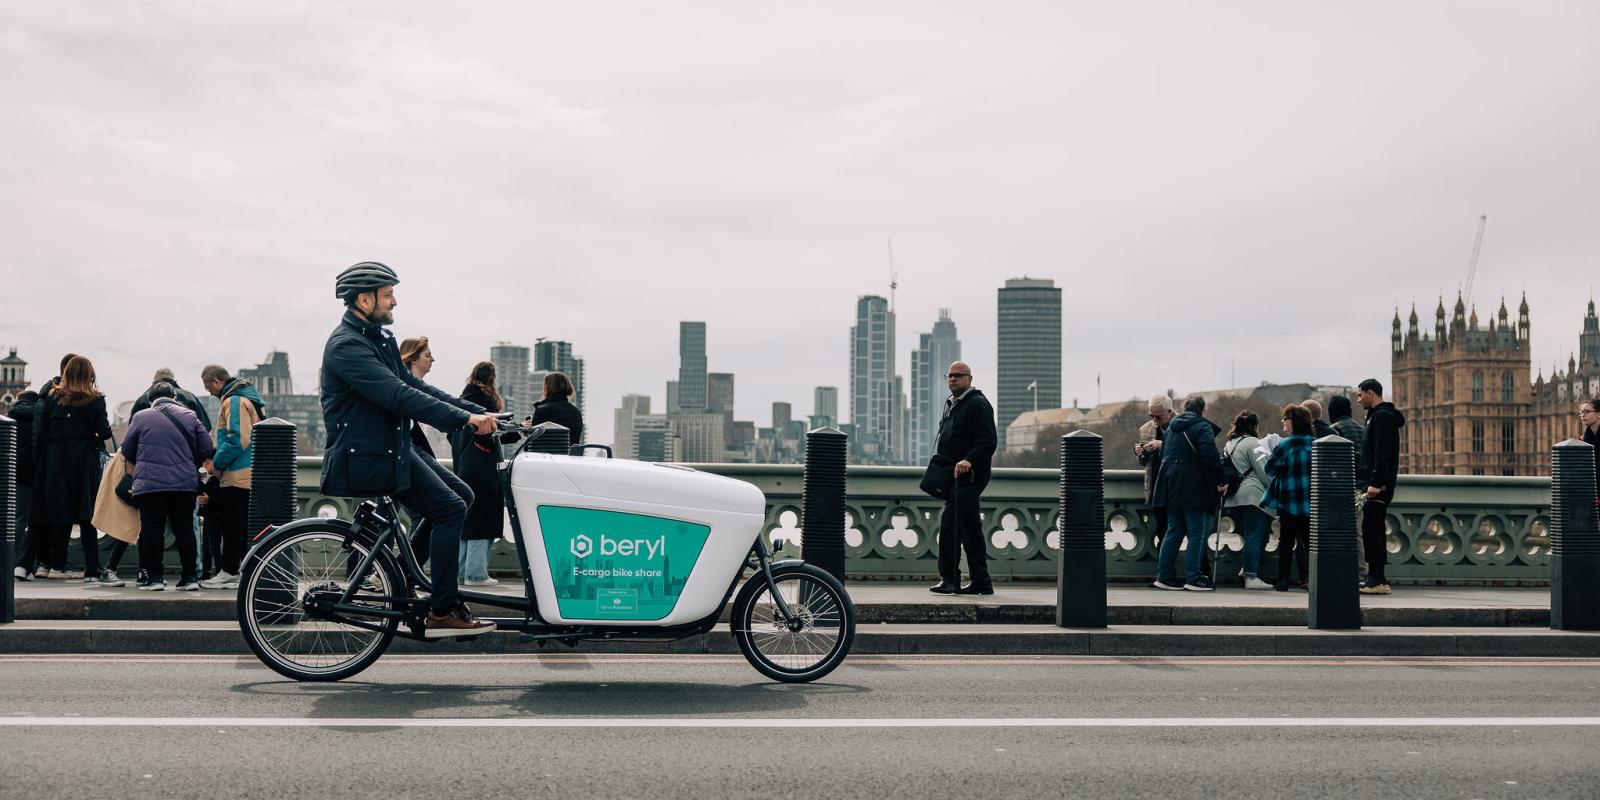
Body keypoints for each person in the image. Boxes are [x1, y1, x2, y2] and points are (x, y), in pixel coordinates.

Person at [319, 261, 497, 637]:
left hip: (391, 448)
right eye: (388, 295)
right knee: (450, 509)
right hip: (367, 455)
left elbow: (416, 387)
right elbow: (397, 395)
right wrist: (463, 422)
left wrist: (481, 412)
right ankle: (443, 608)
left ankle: (403, 577)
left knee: (461, 494)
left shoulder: (376, 339)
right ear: (364, 300)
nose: (395, 302)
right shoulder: (348, 346)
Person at [122, 382, 214, 591]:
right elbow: (207, 447)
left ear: (149, 400)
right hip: (184, 485)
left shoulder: (140, 416)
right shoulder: (190, 416)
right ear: (174, 396)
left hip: (150, 485)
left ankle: (154, 578)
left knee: (152, 530)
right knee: (184, 530)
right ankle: (189, 577)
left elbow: (127, 451)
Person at [31, 355, 113, 582]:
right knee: (87, 515)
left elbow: (42, 431)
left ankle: (57, 563)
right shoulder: (95, 400)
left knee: (60, 513)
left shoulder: (53, 397)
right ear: (90, 375)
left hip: (55, 461)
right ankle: (93, 570)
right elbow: (105, 432)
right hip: (83, 461)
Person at [929, 362, 997, 595]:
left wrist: (969, 459)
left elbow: (988, 441)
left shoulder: (978, 404)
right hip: (955, 477)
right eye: (949, 376)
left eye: (958, 376)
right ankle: (982, 581)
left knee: (950, 524)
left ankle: (950, 579)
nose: (953, 379)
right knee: (970, 528)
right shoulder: (954, 404)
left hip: (970, 476)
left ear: (969, 378)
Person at [453, 362, 522, 587]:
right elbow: (494, 433)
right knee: (484, 518)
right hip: (484, 467)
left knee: (468, 519)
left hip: (465, 466)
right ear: (492, 377)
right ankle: (476, 574)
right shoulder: (486, 402)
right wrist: (519, 427)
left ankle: (462, 572)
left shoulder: (463, 399)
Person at [198, 365, 264, 589]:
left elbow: (237, 438)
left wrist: (217, 462)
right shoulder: (247, 398)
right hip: (248, 472)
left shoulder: (233, 401)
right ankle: (239, 571)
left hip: (237, 474)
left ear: (217, 381)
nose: (209, 392)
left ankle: (229, 572)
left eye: (209, 387)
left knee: (233, 526)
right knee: (241, 526)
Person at [1151, 395, 1226, 592]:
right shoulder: (1202, 427)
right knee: (1197, 532)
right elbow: (1210, 456)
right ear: (1203, 410)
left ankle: (1164, 576)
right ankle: (1193, 577)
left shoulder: (1171, 429)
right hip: (1195, 488)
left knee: (1173, 531)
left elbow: (1164, 455)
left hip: (1171, 486)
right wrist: (1221, 480)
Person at [1357, 378, 1405, 596]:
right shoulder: (1376, 416)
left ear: (1370, 393)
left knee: (1374, 531)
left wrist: (1376, 482)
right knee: (1371, 530)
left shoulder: (1382, 417)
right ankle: (1375, 577)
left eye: (1360, 395)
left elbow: (1381, 453)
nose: (1358, 400)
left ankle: (1377, 579)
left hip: (1378, 486)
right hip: (1373, 484)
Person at [399, 336, 440, 567]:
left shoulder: (419, 388)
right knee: (425, 514)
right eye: (427, 355)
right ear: (412, 359)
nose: (433, 359)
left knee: (381, 520)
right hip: (400, 458)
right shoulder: (405, 388)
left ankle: (397, 572)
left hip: (407, 457)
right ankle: (403, 570)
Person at [1264, 405, 1314, 591]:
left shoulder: (1285, 445)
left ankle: (1283, 580)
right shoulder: (1315, 443)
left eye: (1285, 418)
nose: (1283, 422)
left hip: (1289, 501)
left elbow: (1270, 469)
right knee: (1311, 543)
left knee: (1286, 542)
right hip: (1311, 501)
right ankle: (1313, 578)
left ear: (1293, 421)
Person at [1222, 410, 1274, 589]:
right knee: (1255, 535)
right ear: (1254, 426)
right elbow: (1264, 471)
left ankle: (1245, 570)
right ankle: (1251, 577)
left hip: (1234, 497)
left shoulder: (1229, 443)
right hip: (1253, 496)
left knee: (1248, 534)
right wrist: (1274, 491)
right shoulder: (1254, 443)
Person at [1329, 394, 1369, 580]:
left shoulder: (1333, 431)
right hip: (1364, 488)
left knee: (1341, 533)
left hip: (1342, 489)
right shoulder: (1363, 430)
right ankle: (1362, 571)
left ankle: (1347, 571)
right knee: (1359, 533)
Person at [1135, 394, 1175, 555]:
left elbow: (1185, 454)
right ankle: (1165, 574)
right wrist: (1140, 453)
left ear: (1170, 411)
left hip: (1176, 486)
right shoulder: (1145, 429)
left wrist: (1162, 445)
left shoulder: (1181, 425)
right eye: (1151, 415)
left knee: (1181, 531)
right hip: (1156, 487)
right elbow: (1144, 463)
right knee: (1162, 531)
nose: (1154, 420)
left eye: (1158, 416)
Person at [9, 390, 40, 581]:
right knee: (31, 519)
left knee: (17, 516)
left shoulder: (11, 417)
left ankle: (10, 557)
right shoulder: (37, 418)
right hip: (33, 472)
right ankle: (23, 562)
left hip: (13, 472)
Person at [129, 368, 213, 431]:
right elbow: (205, 427)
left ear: (153, 381)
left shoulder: (142, 400)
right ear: (174, 380)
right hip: (185, 452)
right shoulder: (190, 397)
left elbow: (132, 430)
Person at [531, 371, 584, 449]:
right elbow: (575, 440)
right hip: (569, 458)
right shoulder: (576, 412)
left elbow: (535, 443)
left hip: (547, 459)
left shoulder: (542, 410)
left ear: (548, 388)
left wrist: (529, 431)